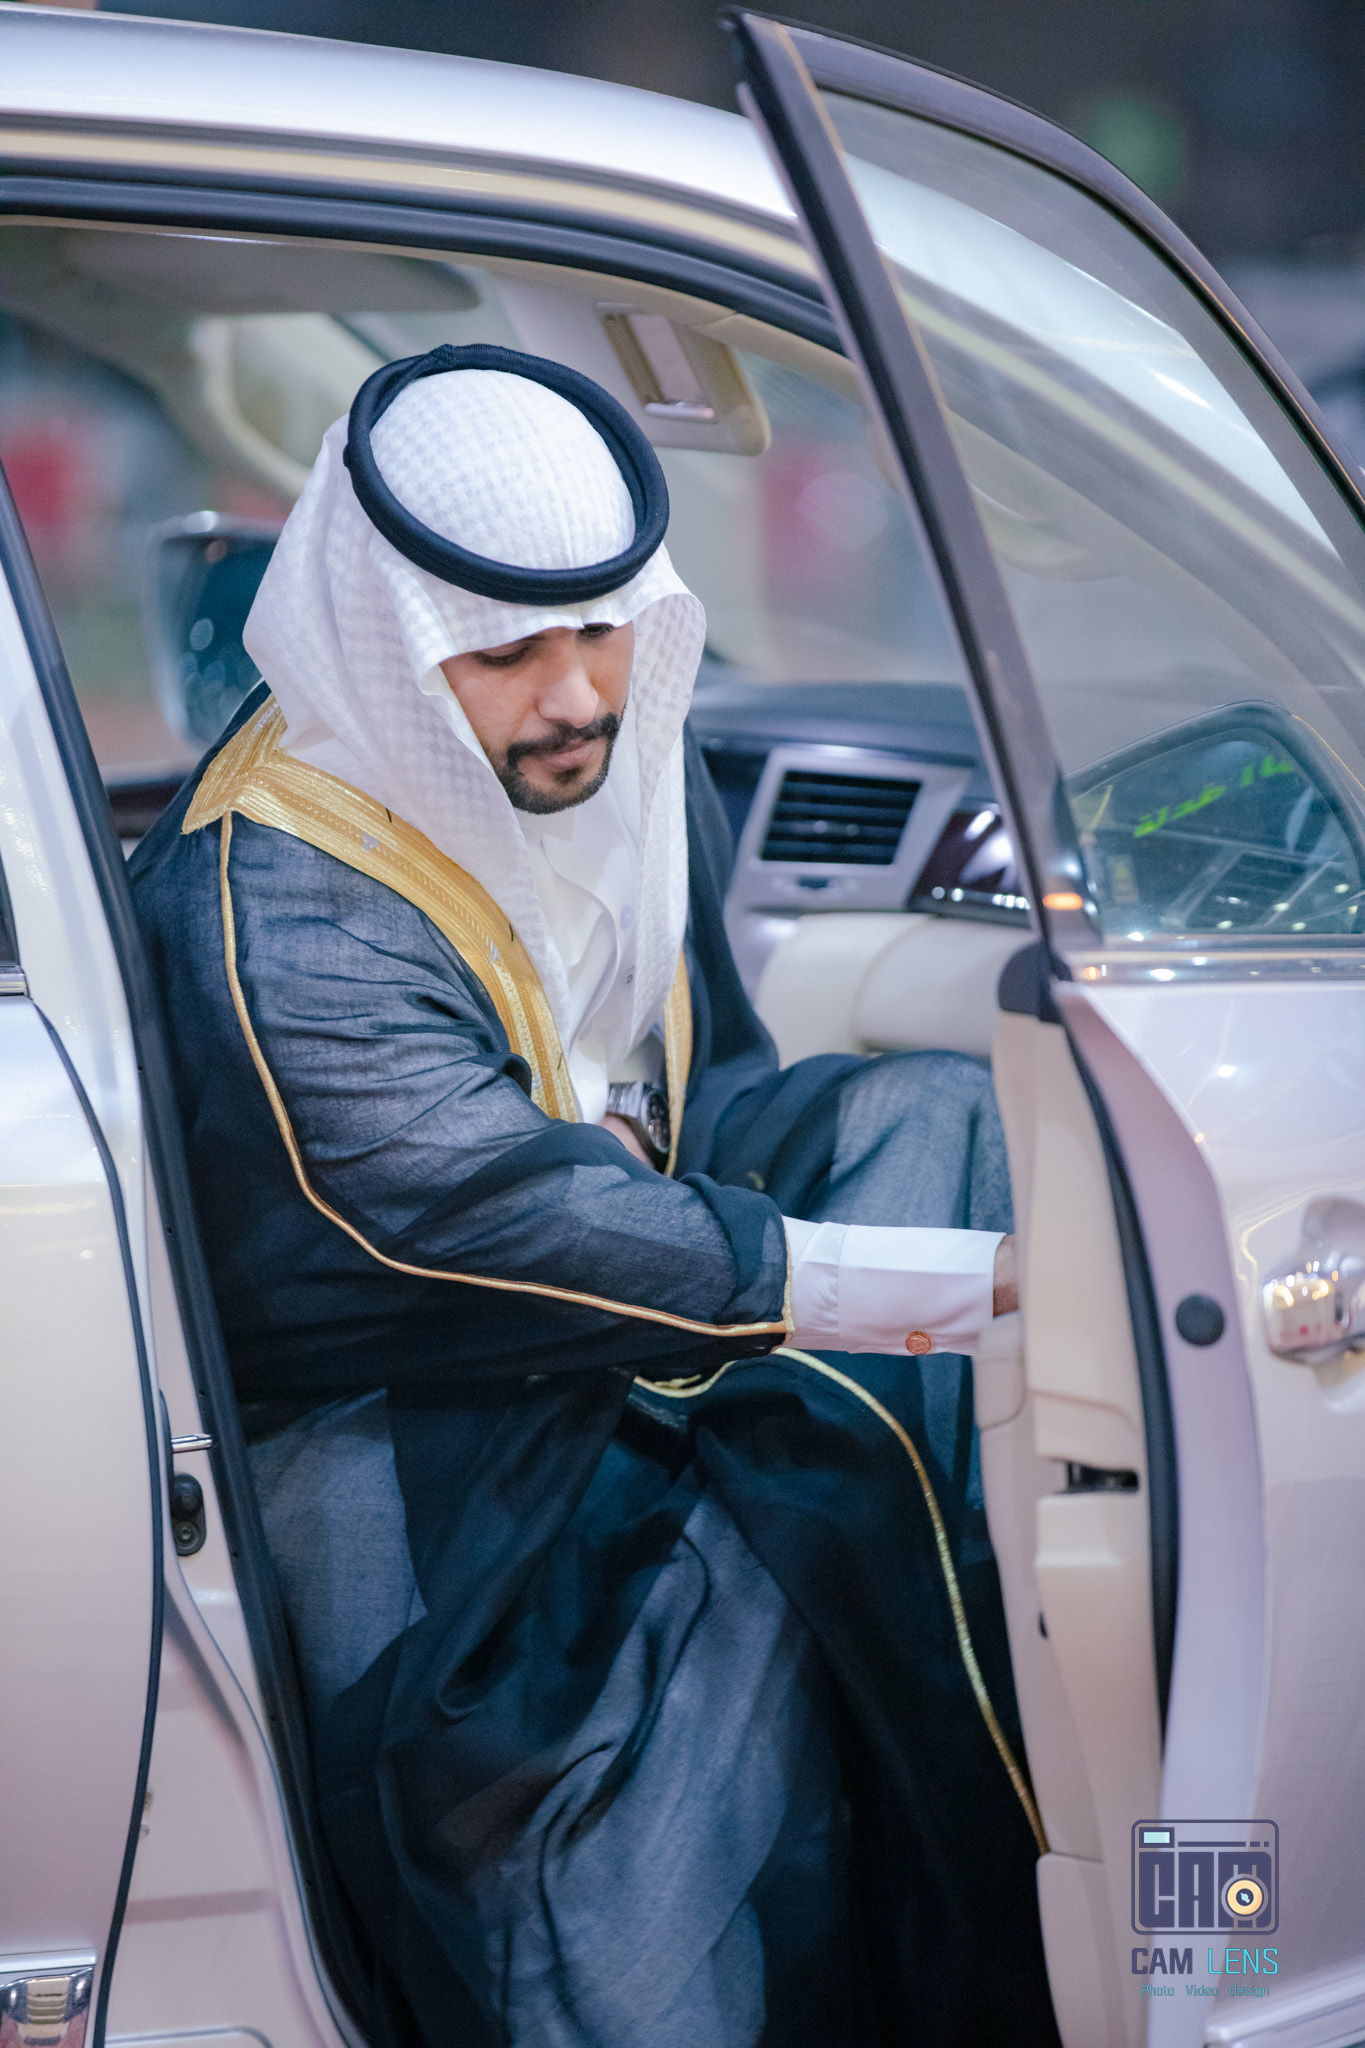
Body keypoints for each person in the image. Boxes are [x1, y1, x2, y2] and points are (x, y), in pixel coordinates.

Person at [131, 345, 1058, 2048]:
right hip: (404, 1428)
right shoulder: (284, 921)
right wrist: (987, 1285)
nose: (575, 698)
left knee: (929, 1116)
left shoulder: (617, 746)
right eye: (503, 655)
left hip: (616, 1303)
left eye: (601, 632)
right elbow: (502, 1218)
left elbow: (699, 1088)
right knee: (575, 1864)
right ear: (390, 649)